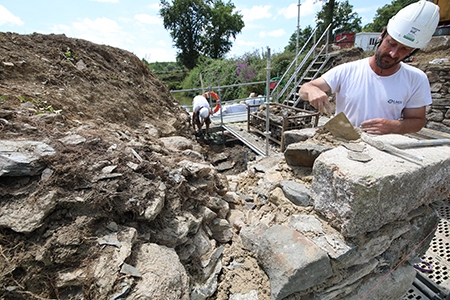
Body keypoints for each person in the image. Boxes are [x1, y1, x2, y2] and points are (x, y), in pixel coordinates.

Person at [299, 0, 440, 135]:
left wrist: (396, 126)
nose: (393, 53)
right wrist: (312, 90)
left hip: (382, 150)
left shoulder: (416, 79)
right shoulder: (347, 70)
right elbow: (304, 89)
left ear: (413, 51)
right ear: (382, 35)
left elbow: (417, 121)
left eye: (405, 49)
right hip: (343, 145)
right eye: (391, 43)